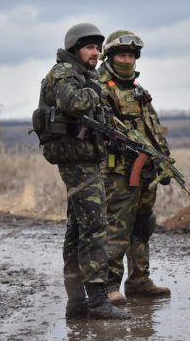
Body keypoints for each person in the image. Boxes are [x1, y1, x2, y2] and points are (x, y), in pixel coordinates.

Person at [33, 23, 129, 319]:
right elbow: (73, 103)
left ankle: (76, 302)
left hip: (84, 160)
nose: (96, 53)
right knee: (96, 227)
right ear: (76, 48)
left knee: (77, 230)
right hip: (75, 161)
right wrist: (97, 88)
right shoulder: (65, 73)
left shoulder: (81, 75)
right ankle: (98, 299)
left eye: (98, 48)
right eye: (90, 47)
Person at [98, 30, 172, 305]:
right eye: (121, 55)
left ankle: (139, 280)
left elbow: (154, 129)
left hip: (145, 170)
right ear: (110, 56)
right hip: (118, 172)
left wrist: (164, 159)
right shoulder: (101, 88)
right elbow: (98, 131)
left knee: (143, 225)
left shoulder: (139, 91)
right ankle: (108, 286)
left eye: (131, 55)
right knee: (118, 227)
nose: (127, 60)